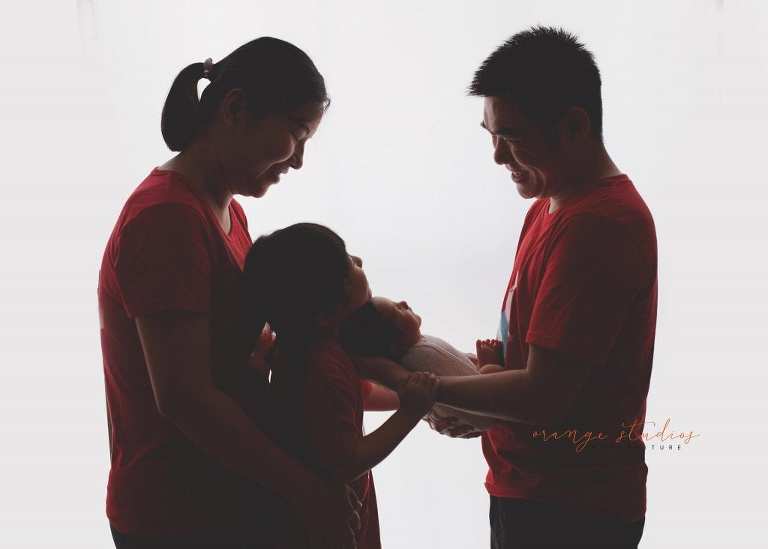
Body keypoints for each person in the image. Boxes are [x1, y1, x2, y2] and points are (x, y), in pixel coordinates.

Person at [361, 26, 657, 548]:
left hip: (571, 506)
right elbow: (536, 357)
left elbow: (546, 394)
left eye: (512, 137)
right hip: (530, 487)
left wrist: (427, 393)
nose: (498, 156)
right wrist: (477, 393)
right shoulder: (549, 205)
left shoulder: (599, 225)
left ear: (574, 126)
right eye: (490, 135)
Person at [98, 37, 360, 548]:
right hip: (174, 512)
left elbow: (229, 352)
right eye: (295, 133)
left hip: (217, 494)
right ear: (236, 109)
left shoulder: (226, 210)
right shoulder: (166, 217)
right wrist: (305, 490)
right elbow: (185, 398)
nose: (300, 160)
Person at [240, 223, 438, 549]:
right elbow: (349, 459)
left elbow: (356, 396)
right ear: (327, 310)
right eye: (349, 262)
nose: (359, 260)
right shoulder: (322, 369)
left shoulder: (306, 349)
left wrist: (406, 392)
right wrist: (411, 412)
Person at [339, 296, 504, 428]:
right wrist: (488, 364)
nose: (403, 302)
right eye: (398, 309)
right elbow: (479, 402)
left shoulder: (420, 347)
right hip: (495, 406)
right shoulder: (423, 356)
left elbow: (458, 367)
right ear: (396, 345)